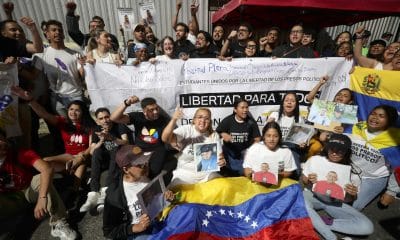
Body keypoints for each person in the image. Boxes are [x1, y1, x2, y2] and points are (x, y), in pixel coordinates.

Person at [12, 86, 96, 190]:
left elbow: (92, 147)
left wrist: (82, 156)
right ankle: (67, 176)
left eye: (77, 110)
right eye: (71, 109)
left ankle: (75, 191)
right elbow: (44, 114)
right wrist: (30, 100)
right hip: (68, 156)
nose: (73, 112)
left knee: (81, 165)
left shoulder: (90, 127)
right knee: (45, 161)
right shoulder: (63, 122)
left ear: (83, 112)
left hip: (85, 157)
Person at [0, 129, 77, 240]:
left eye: (0, 139)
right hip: (8, 200)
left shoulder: (20, 153)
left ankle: (58, 222)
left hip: (28, 190)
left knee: (41, 178)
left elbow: (47, 169)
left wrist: (42, 197)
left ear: (5, 140)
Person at [302, 134, 373, 240]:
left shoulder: (352, 172)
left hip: (335, 203)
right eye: (332, 149)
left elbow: (348, 200)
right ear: (327, 148)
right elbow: (304, 180)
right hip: (312, 196)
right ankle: (332, 237)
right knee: (301, 203)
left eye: (340, 151)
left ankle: (318, 221)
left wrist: (351, 194)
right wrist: (309, 180)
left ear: (346, 152)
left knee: (367, 227)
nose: (334, 153)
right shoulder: (315, 159)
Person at [103, 145, 174, 240]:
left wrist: (166, 199)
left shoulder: (147, 175)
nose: (145, 165)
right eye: (139, 164)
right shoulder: (115, 196)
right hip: (138, 233)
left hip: (157, 221)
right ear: (126, 169)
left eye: (145, 161)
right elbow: (109, 231)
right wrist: (135, 228)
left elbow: (155, 201)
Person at [348, 105, 399, 210]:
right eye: (373, 114)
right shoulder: (356, 127)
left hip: (373, 177)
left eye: (381, 116)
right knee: (329, 193)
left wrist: (391, 192)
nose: (375, 118)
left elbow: (398, 168)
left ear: (390, 121)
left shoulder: (395, 140)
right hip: (349, 170)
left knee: (353, 206)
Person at [79, 107, 130, 213]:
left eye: (107, 117)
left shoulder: (119, 125)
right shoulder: (96, 129)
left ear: (110, 117)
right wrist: (101, 140)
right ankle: (93, 193)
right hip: (105, 160)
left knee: (115, 149)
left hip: (119, 158)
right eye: (101, 118)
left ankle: (106, 190)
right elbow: (92, 151)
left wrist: (112, 138)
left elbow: (126, 142)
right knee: (97, 151)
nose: (105, 120)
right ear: (97, 121)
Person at [161, 107, 226, 187]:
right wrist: (174, 119)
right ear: (194, 119)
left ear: (210, 121)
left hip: (206, 175)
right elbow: (165, 138)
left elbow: (220, 156)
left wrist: (222, 161)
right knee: (175, 195)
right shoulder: (187, 130)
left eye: (207, 118)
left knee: (223, 186)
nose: (203, 121)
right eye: (200, 117)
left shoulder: (214, 135)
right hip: (185, 174)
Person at [111, 96, 170, 179]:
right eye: (151, 110)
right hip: (139, 148)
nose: (155, 112)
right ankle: (114, 184)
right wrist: (126, 103)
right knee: (123, 159)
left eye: (156, 108)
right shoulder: (137, 116)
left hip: (157, 149)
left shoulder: (163, 119)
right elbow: (114, 118)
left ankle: (150, 183)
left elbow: (166, 138)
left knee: (157, 164)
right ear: (144, 111)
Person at [36, 20, 86, 116]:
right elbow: (35, 76)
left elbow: (82, 75)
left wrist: (85, 66)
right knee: (63, 126)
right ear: (47, 34)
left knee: (79, 125)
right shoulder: (42, 55)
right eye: (54, 30)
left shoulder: (75, 53)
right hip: (56, 97)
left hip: (75, 96)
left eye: (60, 30)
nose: (57, 32)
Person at [216, 99, 260, 176]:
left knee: (244, 173)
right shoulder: (228, 120)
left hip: (244, 154)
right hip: (229, 154)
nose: (245, 110)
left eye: (246, 107)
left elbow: (257, 138)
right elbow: (215, 134)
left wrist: (250, 150)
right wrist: (222, 134)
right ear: (235, 109)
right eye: (242, 108)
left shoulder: (251, 122)